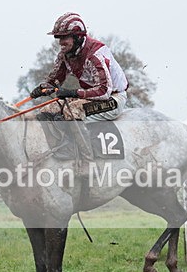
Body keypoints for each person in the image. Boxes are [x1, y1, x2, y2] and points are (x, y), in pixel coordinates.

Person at [30, 12, 128, 161]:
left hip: (113, 98)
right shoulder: (65, 55)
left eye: (65, 37)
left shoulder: (95, 54)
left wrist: (73, 93)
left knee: (73, 111)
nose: (61, 42)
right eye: (59, 38)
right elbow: (55, 79)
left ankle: (86, 159)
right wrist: (43, 88)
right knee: (46, 110)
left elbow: (104, 91)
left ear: (77, 37)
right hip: (94, 97)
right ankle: (58, 149)